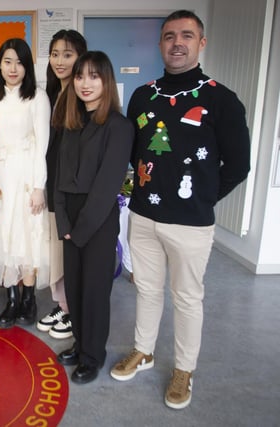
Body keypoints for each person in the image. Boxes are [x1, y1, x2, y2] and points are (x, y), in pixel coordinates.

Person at [110, 10, 250, 409]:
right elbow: (133, 153)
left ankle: (184, 369)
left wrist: (203, 199)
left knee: (187, 297)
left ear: (201, 43)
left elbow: (239, 166)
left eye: (187, 35)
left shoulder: (221, 99)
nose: (177, 43)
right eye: (169, 35)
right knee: (148, 290)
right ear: (160, 44)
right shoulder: (143, 95)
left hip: (191, 224)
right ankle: (144, 351)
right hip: (143, 216)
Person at [53, 51, 133, 384]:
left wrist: (80, 230)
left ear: (106, 81)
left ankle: (92, 355)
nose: (85, 84)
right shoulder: (71, 122)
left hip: (97, 221)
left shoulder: (119, 126)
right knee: (74, 287)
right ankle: (80, 343)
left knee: (95, 290)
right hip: (70, 218)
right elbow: (58, 175)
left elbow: (106, 186)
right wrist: (63, 224)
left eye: (94, 76)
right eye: (80, 76)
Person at [0, 38, 51, 329]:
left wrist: (38, 186)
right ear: (0, 64)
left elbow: (42, 145)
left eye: (20, 62)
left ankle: (29, 298)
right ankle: (11, 299)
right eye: (8, 61)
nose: (13, 68)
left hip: (26, 176)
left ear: (28, 66)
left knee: (27, 236)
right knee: (3, 236)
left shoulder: (37, 97)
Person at [36, 29, 87, 340]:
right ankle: (61, 303)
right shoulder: (53, 94)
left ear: (80, 57)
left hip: (70, 190)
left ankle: (70, 309)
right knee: (55, 249)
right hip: (52, 185)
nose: (59, 60)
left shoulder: (81, 96)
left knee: (67, 249)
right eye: (55, 54)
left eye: (67, 54)